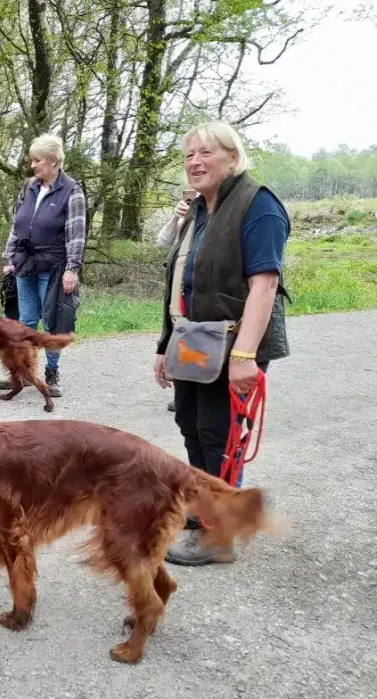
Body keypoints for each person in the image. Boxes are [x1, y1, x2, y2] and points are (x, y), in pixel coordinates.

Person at [154, 121, 290, 566]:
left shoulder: (258, 204)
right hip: (194, 340)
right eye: (189, 155)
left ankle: (220, 536)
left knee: (221, 436)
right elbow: (182, 283)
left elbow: (265, 285)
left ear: (233, 157)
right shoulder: (198, 209)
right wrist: (164, 347)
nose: (195, 162)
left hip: (234, 344)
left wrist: (245, 356)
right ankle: (202, 510)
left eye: (206, 153)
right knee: (191, 424)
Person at [2, 134, 86, 398]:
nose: (33, 165)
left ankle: (51, 372)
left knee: (51, 322)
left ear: (53, 161)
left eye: (37, 160)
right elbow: (16, 225)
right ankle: (23, 371)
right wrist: (9, 258)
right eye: (32, 160)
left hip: (53, 266)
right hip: (25, 263)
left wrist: (72, 268)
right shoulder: (29, 187)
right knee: (25, 321)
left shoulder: (72, 191)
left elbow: (77, 234)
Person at [158, 190, 195, 412]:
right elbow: (163, 240)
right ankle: (181, 390)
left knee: (195, 335)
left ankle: (191, 389)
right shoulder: (186, 214)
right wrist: (175, 217)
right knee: (179, 332)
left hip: (199, 282)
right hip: (179, 284)